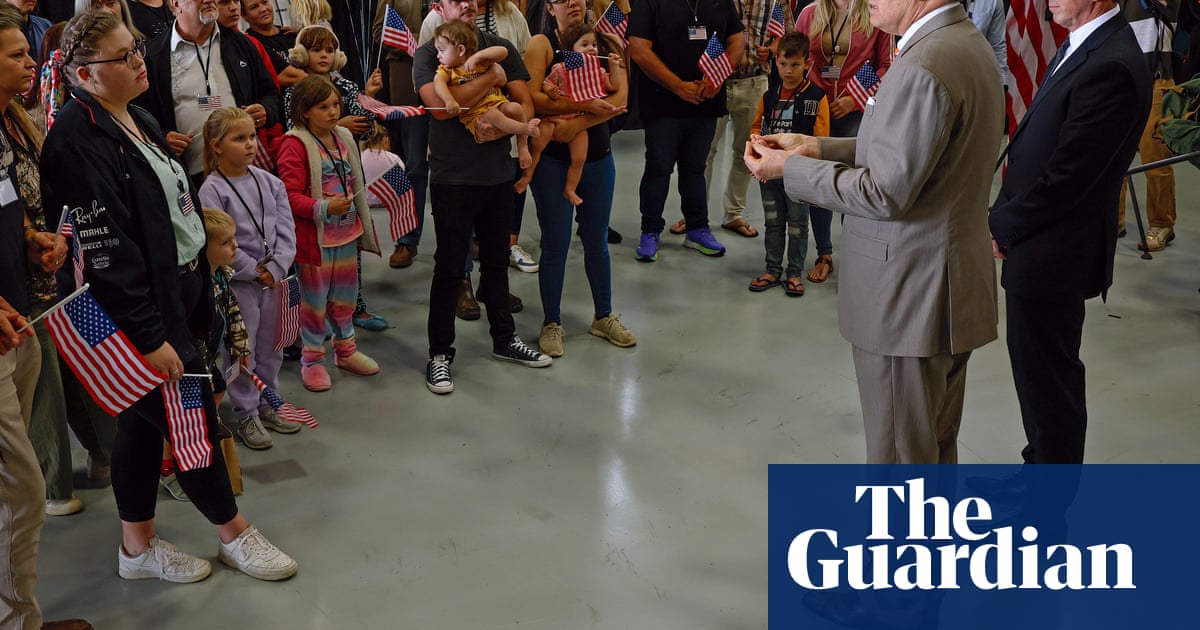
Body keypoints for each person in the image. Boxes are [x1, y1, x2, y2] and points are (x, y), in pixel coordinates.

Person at [42, 10, 297, 583]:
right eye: (125, 56)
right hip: (138, 314)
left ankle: (136, 548)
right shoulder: (74, 141)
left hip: (180, 290)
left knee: (139, 425)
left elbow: (174, 212)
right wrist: (149, 334)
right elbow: (109, 255)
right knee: (192, 418)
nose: (141, 61)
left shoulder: (139, 118)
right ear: (85, 74)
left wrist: (200, 285)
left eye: (137, 49)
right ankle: (234, 533)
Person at [744, 0, 1003, 464]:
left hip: (907, 297)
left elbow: (884, 192)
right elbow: (911, 152)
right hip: (944, 286)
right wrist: (817, 147)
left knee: (899, 462)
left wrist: (790, 170)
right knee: (932, 452)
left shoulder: (925, 64)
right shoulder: (963, 43)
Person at [988, 0, 1150, 463]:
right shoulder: (1085, 45)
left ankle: (1049, 497)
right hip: (1037, 243)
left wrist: (1002, 224)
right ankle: (1037, 470)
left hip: (1054, 253)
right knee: (1035, 375)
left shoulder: (1112, 65)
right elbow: (1039, 144)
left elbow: (1069, 179)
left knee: (1050, 386)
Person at [415, 0, 551, 395]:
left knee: (496, 263)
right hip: (452, 177)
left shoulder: (498, 44)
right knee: (449, 268)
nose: (468, 4)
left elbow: (524, 101)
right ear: (439, 6)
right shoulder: (430, 52)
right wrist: (491, 77)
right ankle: (440, 353)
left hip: (497, 174)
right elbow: (441, 107)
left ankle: (504, 339)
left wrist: (506, 129)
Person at [524, 0, 635, 358]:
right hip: (553, 162)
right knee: (555, 243)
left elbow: (620, 97)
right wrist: (586, 106)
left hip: (598, 156)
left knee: (596, 240)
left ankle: (603, 315)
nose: (573, 2)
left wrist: (579, 122)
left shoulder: (603, 41)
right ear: (549, 6)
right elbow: (534, 99)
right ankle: (551, 321)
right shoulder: (542, 44)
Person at [199, 107, 301, 448]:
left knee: (272, 346)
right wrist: (253, 270)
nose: (250, 145)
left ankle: (268, 401)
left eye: (252, 137)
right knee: (243, 350)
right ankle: (246, 412)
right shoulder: (212, 190)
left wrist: (276, 268)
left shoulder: (270, 182)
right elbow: (217, 240)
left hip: (274, 281)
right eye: (239, 138)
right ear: (217, 146)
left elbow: (286, 231)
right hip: (240, 285)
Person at [275, 75, 381, 392]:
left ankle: (346, 350)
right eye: (323, 107)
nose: (334, 112)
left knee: (345, 298)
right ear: (305, 111)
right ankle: (312, 360)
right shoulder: (294, 144)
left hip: (346, 235)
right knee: (314, 303)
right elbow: (289, 196)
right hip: (315, 241)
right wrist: (323, 207)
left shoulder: (343, 136)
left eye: (335, 104)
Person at [281, 25, 389, 332]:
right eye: (316, 49)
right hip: (316, 185)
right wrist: (339, 123)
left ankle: (354, 306)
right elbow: (293, 127)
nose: (324, 55)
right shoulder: (295, 90)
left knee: (349, 252)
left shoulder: (348, 86)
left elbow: (365, 129)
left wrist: (370, 100)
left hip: (345, 177)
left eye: (329, 50)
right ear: (302, 53)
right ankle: (318, 315)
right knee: (316, 257)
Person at [627, 0, 745, 261]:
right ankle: (650, 231)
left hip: (706, 101)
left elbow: (737, 40)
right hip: (662, 104)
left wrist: (718, 76)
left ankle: (697, 228)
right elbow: (639, 49)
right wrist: (678, 86)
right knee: (659, 169)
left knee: (695, 169)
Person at [670, 0, 791, 239]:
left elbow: (787, 35)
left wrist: (773, 49)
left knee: (746, 150)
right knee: (703, 151)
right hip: (715, 82)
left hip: (755, 80)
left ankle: (734, 213)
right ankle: (695, 215)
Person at [793, 0, 892, 284]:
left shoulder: (873, 11)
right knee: (820, 181)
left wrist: (853, 100)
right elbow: (796, 57)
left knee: (855, 185)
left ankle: (854, 254)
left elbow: (886, 66)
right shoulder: (810, 13)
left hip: (856, 113)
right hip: (817, 110)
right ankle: (824, 253)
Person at [135, 0, 282, 181]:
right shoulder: (154, 57)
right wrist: (161, 138)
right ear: (175, 3)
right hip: (192, 179)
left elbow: (271, 95)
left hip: (248, 173)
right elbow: (139, 116)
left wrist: (266, 110)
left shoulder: (241, 44)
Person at [746, 32, 829, 297]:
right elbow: (757, 126)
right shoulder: (769, 96)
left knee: (798, 225)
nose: (789, 71)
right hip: (770, 174)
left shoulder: (817, 97)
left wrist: (812, 172)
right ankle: (772, 269)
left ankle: (794, 273)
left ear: (807, 64)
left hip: (799, 175)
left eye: (795, 65)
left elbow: (821, 140)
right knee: (772, 222)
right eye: (783, 64)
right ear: (776, 63)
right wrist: (757, 143)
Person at [517, 22, 620, 206]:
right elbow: (546, 84)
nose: (592, 48)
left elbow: (613, 86)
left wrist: (614, 66)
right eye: (585, 44)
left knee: (579, 158)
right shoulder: (560, 68)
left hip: (578, 120)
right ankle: (527, 175)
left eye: (594, 44)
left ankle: (570, 188)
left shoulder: (597, 71)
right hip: (553, 119)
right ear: (571, 49)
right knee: (538, 144)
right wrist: (550, 91)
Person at [1117, 0, 1179, 251]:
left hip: (1155, 81)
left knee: (1155, 159)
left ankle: (1162, 223)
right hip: (1122, 81)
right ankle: (1113, 220)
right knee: (1114, 157)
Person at [372, 0, 428, 269]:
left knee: (460, 162)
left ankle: (470, 237)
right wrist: (422, 41)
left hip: (455, 80)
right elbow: (379, 30)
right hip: (408, 82)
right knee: (414, 165)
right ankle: (408, 238)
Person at [433, 21, 541, 158]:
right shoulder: (447, 70)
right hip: (477, 116)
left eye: (441, 50)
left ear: (461, 50)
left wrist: (479, 56)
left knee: (516, 108)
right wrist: (449, 100)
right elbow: (438, 83)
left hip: (498, 103)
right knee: (493, 115)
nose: (438, 55)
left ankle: (523, 146)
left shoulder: (479, 62)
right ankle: (525, 128)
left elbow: (503, 52)